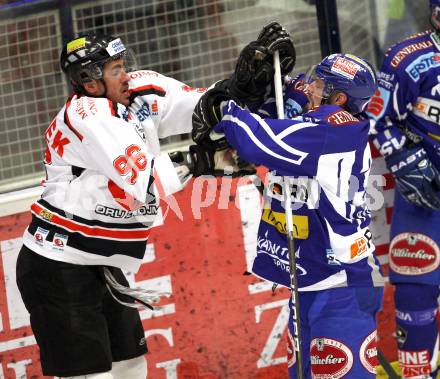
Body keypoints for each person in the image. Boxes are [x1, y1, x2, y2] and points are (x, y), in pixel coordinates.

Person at [15, 27, 292, 378]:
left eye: (122, 64)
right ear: (89, 81)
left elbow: (204, 107)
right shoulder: (87, 117)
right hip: (57, 265)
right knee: (93, 375)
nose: (126, 75)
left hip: (101, 262)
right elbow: (146, 182)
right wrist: (206, 160)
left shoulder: (139, 91)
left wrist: (244, 85)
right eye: (114, 70)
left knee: (132, 366)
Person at [192, 52, 384, 378]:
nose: (309, 85)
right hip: (310, 279)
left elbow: (256, 140)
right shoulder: (320, 121)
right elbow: (282, 105)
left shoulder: (334, 131)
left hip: (342, 285)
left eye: (319, 82)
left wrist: (226, 106)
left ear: (337, 98)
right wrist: (254, 82)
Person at [366, 1, 440, 378]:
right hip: (427, 198)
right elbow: (379, 120)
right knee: (414, 294)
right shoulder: (407, 58)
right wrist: (410, 165)